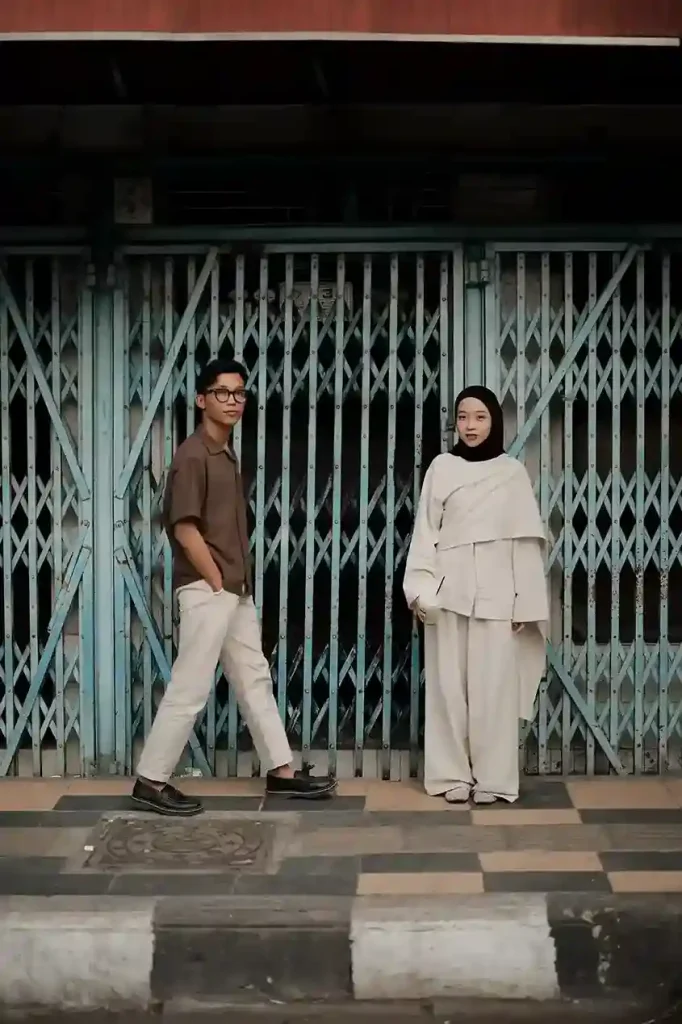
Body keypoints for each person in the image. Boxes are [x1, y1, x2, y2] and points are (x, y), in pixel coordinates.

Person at [132, 357, 337, 815]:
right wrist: (215, 578)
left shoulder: (224, 454)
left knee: (253, 678)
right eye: (222, 393)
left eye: (240, 393)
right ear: (201, 399)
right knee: (191, 685)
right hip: (209, 588)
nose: (233, 401)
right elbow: (184, 527)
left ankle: (281, 771)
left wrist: (231, 583)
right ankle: (151, 780)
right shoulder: (193, 455)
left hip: (233, 589)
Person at [403, 386, 549, 805]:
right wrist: (420, 591)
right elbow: (426, 532)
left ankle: (494, 779)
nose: (470, 426)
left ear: (494, 422)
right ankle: (450, 775)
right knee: (447, 691)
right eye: (463, 417)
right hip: (448, 594)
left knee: (494, 692)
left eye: (480, 417)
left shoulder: (511, 473)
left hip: (498, 595)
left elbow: (524, 541)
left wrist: (524, 603)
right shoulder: (442, 467)